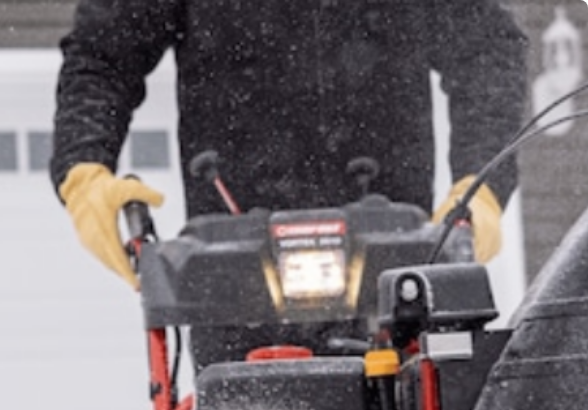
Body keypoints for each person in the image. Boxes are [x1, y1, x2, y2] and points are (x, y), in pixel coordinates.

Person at [49, 0, 528, 289]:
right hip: (231, 254)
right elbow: (104, 57)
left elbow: (486, 48)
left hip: (392, 250)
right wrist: (84, 168)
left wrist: (480, 183)